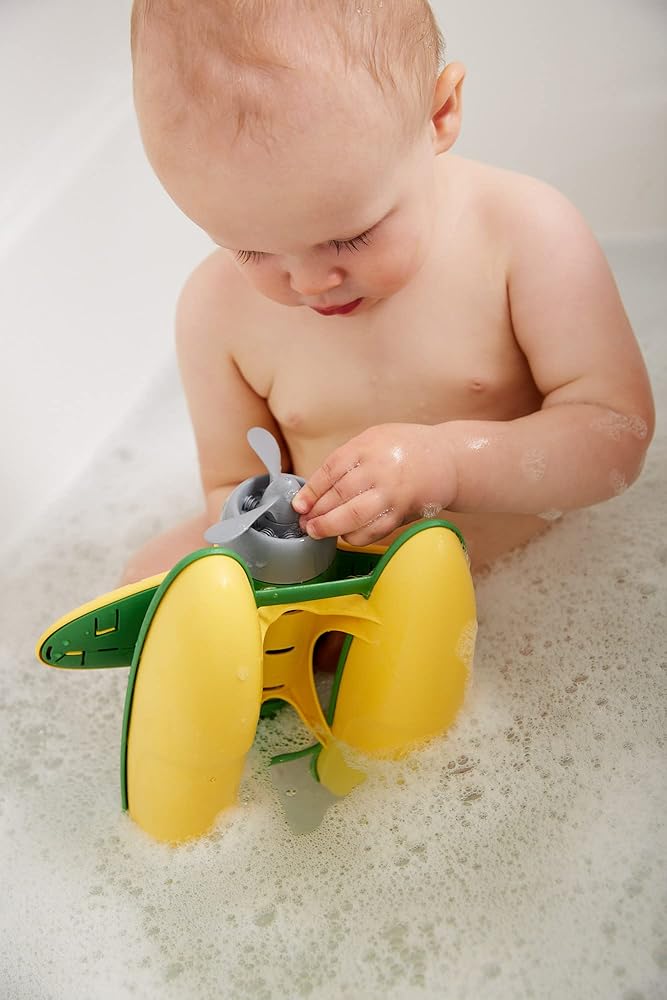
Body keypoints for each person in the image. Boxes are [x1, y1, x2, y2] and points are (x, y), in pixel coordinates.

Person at [123, 0, 654, 585]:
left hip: (517, 574)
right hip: (337, 583)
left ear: (439, 114)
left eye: (348, 238)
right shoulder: (216, 308)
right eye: (249, 250)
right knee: (144, 576)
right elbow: (231, 487)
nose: (309, 283)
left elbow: (616, 436)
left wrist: (449, 465)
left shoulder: (524, 234)